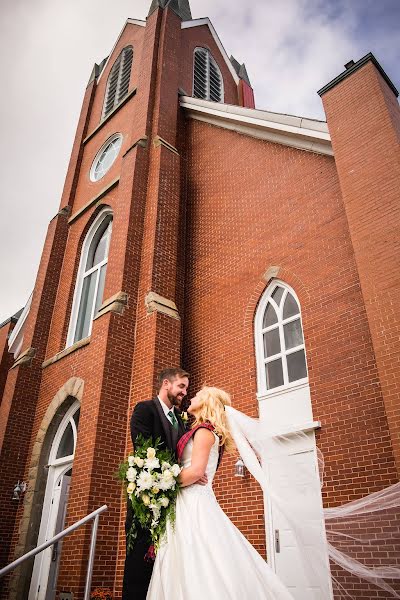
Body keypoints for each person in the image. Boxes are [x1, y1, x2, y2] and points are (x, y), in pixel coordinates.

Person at [147, 386, 294, 600]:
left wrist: (160, 482)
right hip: (187, 499)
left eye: (196, 395)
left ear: (206, 402)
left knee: (198, 557)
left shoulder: (205, 432)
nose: (192, 396)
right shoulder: (201, 431)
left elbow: (197, 471)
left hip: (194, 501)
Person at [123, 367, 195, 600]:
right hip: (146, 499)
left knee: (167, 564)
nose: (185, 392)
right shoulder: (145, 410)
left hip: (173, 503)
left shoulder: (182, 420)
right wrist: (179, 474)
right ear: (166, 384)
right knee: (140, 562)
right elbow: (145, 452)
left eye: (186, 387)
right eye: (181, 386)